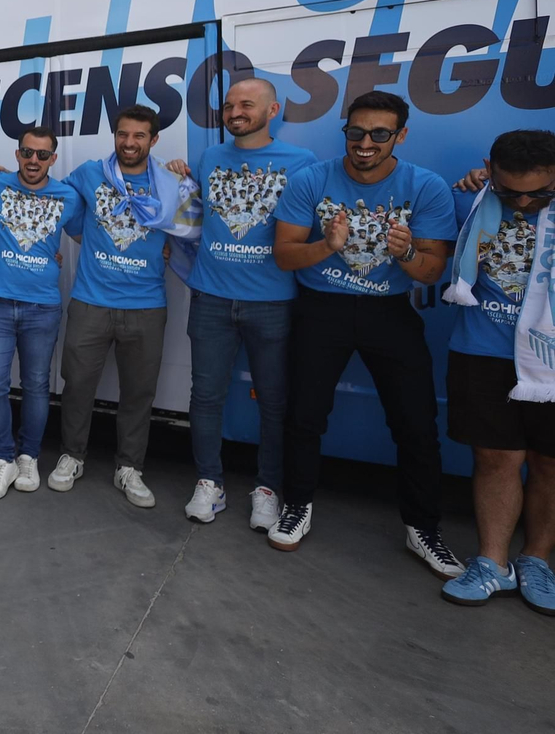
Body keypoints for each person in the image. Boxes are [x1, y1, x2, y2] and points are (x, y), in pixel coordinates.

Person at [268, 90, 463, 579]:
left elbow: (432, 272)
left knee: (416, 423)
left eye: (380, 134)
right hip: (321, 310)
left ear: (401, 134)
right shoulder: (312, 179)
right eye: (357, 132)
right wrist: (327, 245)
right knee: (304, 416)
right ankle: (297, 506)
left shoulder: (426, 186)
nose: (366, 143)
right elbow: (285, 255)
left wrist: (404, 255)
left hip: (389, 313)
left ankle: (424, 529)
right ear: (346, 132)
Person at [165, 78, 314, 529]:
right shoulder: (210, 158)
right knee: (206, 397)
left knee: (273, 402)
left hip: (273, 303)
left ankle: (267, 489)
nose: (234, 112)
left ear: (274, 111)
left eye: (246, 104)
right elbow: (190, 210)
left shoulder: (303, 163)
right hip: (211, 299)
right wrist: (178, 174)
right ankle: (210, 483)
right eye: (229, 105)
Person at [50, 104, 199, 509]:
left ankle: (129, 467)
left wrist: (182, 180)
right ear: (114, 135)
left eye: (138, 136)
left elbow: (194, 229)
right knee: (77, 385)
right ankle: (72, 455)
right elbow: (47, 198)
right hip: (90, 302)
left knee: (139, 393)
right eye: (122, 134)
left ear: (153, 140)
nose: (129, 143)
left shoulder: (171, 183)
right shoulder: (89, 173)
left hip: (147, 305)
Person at [439, 129, 555, 614]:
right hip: (481, 353)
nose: (524, 201)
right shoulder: (469, 201)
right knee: (494, 460)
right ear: (490, 169)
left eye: (541, 192)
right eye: (511, 192)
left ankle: (537, 560)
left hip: (550, 360)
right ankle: (492, 563)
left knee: (550, 462)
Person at [0, 128, 83, 498]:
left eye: (43, 155)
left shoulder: (68, 196)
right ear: (17, 154)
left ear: (53, 158)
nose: (34, 161)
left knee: (36, 386)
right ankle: (4, 459)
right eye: (27, 153)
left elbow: (91, 235)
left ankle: (29, 455)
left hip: (42, 308)